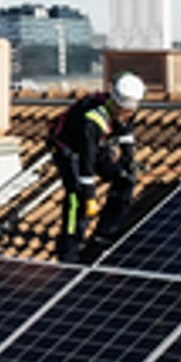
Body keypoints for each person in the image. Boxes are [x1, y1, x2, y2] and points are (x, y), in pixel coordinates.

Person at [49, 72, 144, 263]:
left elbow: (125, 133)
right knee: (78, 196)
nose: (129, 114)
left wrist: (129, 159)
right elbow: (87, 161)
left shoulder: (128, 111)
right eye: (125, 110)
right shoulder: (92, 118)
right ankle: (69, 251)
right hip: (69, 149)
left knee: (125, 178)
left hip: (98, 145)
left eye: (131, 110)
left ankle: (106, 232)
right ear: (115, 104)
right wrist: (90, 195)